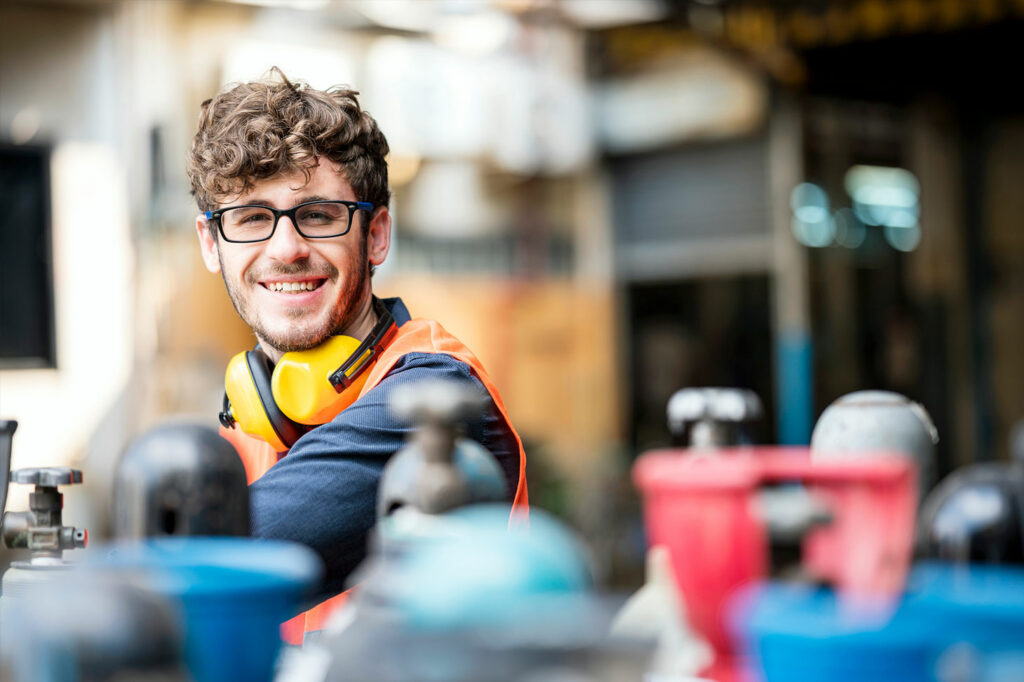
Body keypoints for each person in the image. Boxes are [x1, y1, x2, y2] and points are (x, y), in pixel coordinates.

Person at [186, 69, 528, 640]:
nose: (286, 248)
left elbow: (205, 575)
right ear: (211, 244)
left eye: (318, 215)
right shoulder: (249, 420)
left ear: (375, 236)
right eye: (250, 219)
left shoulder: (437, 398)